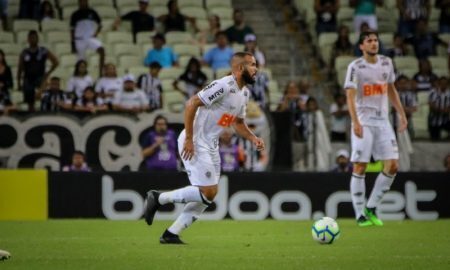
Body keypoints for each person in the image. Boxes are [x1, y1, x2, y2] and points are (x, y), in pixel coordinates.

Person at [143, 52, 265, 244]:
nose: (256, 68)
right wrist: (189, 139)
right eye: (252, 64)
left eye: (255, 64)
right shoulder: (223, 85)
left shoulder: (244, 93)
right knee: (207, 191)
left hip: (211, 143)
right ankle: (159, 198)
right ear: (240, 68)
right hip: (196, 140)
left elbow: (238, 122)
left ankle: (171, 233)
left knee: (210, 194)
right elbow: (191, 104)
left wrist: (252, 137)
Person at [344, 30, 408, 227]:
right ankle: (359, 214)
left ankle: (371, 207)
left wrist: (401, 113)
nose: (373, 43)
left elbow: (390, 89)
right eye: (369, 41)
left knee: (393, 165)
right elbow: (350, 96)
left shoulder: (386, 63)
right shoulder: (355, 67)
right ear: (361, 46)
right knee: (360, 166)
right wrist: (355, 122)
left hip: (383, 122)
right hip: (364, 122)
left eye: (375, 40)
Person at [18, 30, 59, 112]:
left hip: (40, 78)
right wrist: (19, 82)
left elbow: (55, 62)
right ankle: (31, 115)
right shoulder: (24, 53)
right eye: (31, 38)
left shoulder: (43, 51)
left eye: (35, 37)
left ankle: (45, 112)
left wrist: (48, 72)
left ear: (38, 39)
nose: (33, 39)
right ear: (28, 39)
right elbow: (20, 68)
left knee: (43, 96)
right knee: (30, 102)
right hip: (28, 79)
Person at [70, 0, 104, 74]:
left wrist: (96, 33)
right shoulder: (75, 14)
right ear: (79, 2)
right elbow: (72, 30)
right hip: (79, 39)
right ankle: (81, 75)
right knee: (81, 61)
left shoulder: (93, 12)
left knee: (101, 50)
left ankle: (101, 72)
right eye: (81, 1)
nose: (83, 3)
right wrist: (72, 44)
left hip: (90, 38)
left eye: (84, 1)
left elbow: (100, 25)